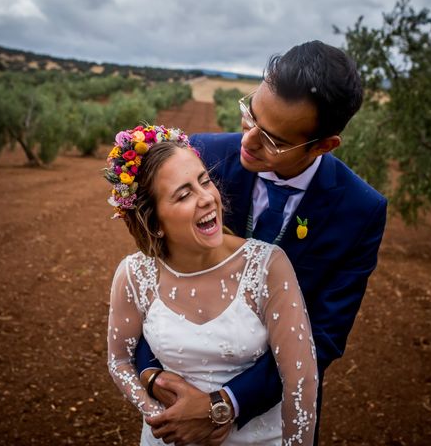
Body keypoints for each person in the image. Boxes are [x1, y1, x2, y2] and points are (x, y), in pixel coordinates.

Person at [136, 40, 388, 445]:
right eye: (249, 116)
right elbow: (151, 281)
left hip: (274, 412)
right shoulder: (199, 157)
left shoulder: (361, 210)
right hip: (176, 401)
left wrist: (226, 403)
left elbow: (322, 335)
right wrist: (153, 374)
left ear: (324, 145)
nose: (248, 141)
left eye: (274, 140)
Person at [105, 124, 319, 445]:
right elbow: (120, 359)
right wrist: (160, 418)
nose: (207, 198)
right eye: (184, 194)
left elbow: (300, 383)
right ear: (155, 223)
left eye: (204, 181)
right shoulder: (134, 274)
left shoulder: (267, 266)